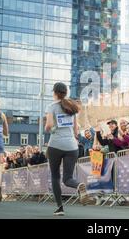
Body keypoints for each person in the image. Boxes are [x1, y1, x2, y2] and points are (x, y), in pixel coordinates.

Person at [45, 82, 89, 216]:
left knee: (55, 176)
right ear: (65, 93)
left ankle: (60, 208)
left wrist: (52, 129)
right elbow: (76, 131)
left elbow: (49, 126)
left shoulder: (51, 107)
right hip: (71, 146)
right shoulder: (71, 107)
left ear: (54, 92)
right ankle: (78, 185)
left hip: (56, 145)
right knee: (68, 178)